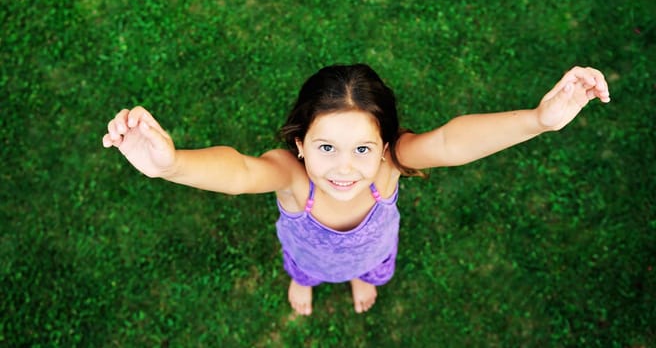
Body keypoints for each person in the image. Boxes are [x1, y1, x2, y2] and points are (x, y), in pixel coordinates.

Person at [102, 64, 610, 316]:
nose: (344, 168)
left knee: (370, 272)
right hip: (307, 254)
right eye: (326, 148)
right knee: (303, 272)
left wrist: (539, 121)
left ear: (385, 145)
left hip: (375, 250)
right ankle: (305, 283)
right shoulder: (293, 177)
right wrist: (169, 166)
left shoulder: (393, 164)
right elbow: (238, 172)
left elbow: (453, 141)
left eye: (363, 150)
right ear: (299, 144)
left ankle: (360, 280)